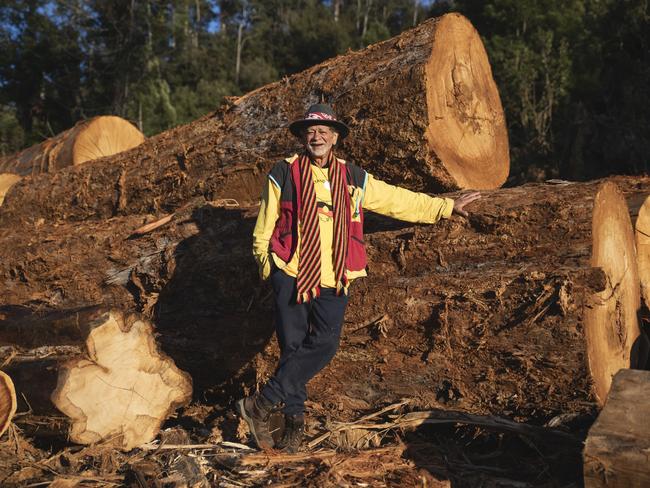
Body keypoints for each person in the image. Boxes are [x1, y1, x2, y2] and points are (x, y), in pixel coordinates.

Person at [238, 103, 480, 453]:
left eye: (324, 131)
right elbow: (265, 224)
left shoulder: (353, 177)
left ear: (335, 137)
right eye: (311, 131)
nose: (317, 136)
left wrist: (443, 206)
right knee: (292, 349)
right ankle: (293, 431)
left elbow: (396, 200)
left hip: (335, 275)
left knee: (325, 343)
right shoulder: (284, 172)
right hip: (291, 271)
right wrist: (268, 267)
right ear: (303, 137)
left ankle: (259, 405)